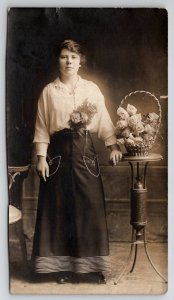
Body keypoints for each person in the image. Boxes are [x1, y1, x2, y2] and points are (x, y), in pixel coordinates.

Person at [32, 39, 122, 284]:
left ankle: (89, 268)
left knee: (87, 209)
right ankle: (59, 268)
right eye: (63, 56)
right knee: (59, 208)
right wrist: (41, 158)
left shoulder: (91, 89)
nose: (69, 61)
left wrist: (113, 146)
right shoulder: (49, 91)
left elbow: (103, 121)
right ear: (58, 60)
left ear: (81, 61)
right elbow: (41, 127)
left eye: (73, 57)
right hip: (58, 155)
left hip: (85, 154)